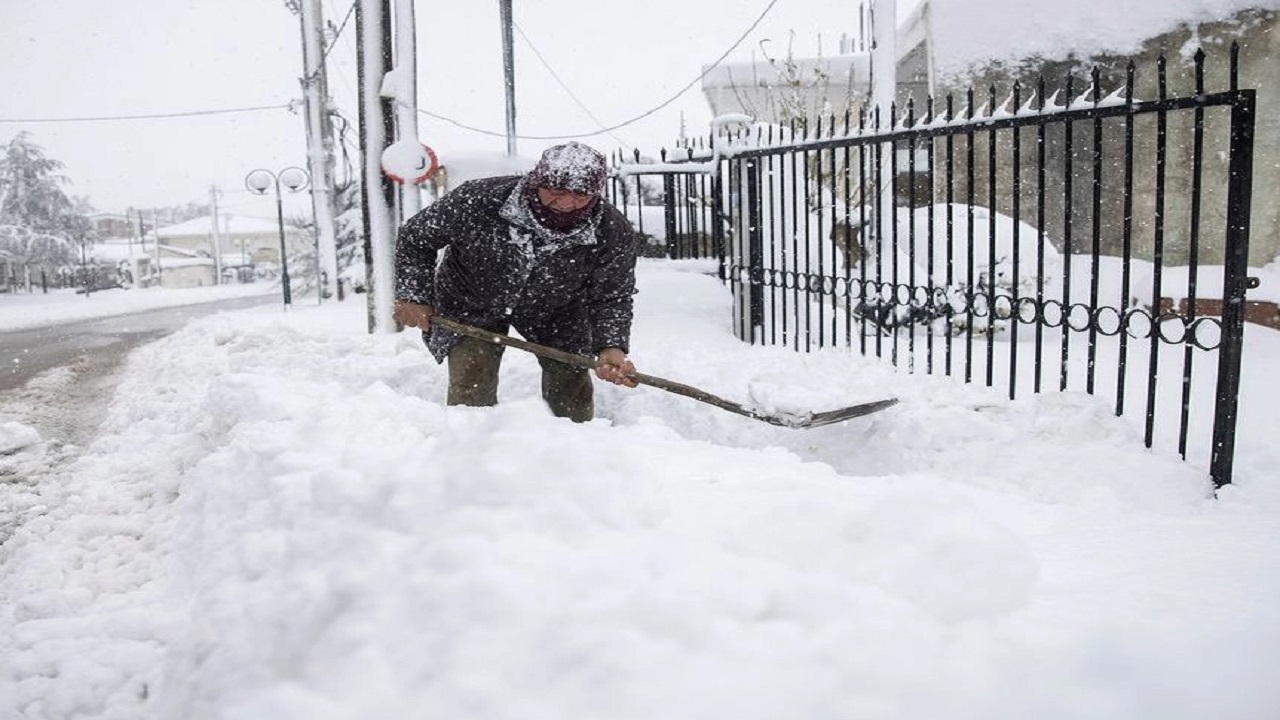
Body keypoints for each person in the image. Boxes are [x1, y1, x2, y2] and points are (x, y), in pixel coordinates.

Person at [393, 141, 640, 423]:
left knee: (571, 385)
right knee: (472, 378)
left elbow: (612, 294)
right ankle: (471, 440)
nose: (566, 203)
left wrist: (611, 346)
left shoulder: (611, 230)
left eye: (580, 194)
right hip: (471, 299)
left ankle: (574, 443)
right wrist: (413, 295)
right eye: (557, 191)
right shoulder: (479, 200)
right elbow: (416, 237)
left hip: (559, 309)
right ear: (536, 181)